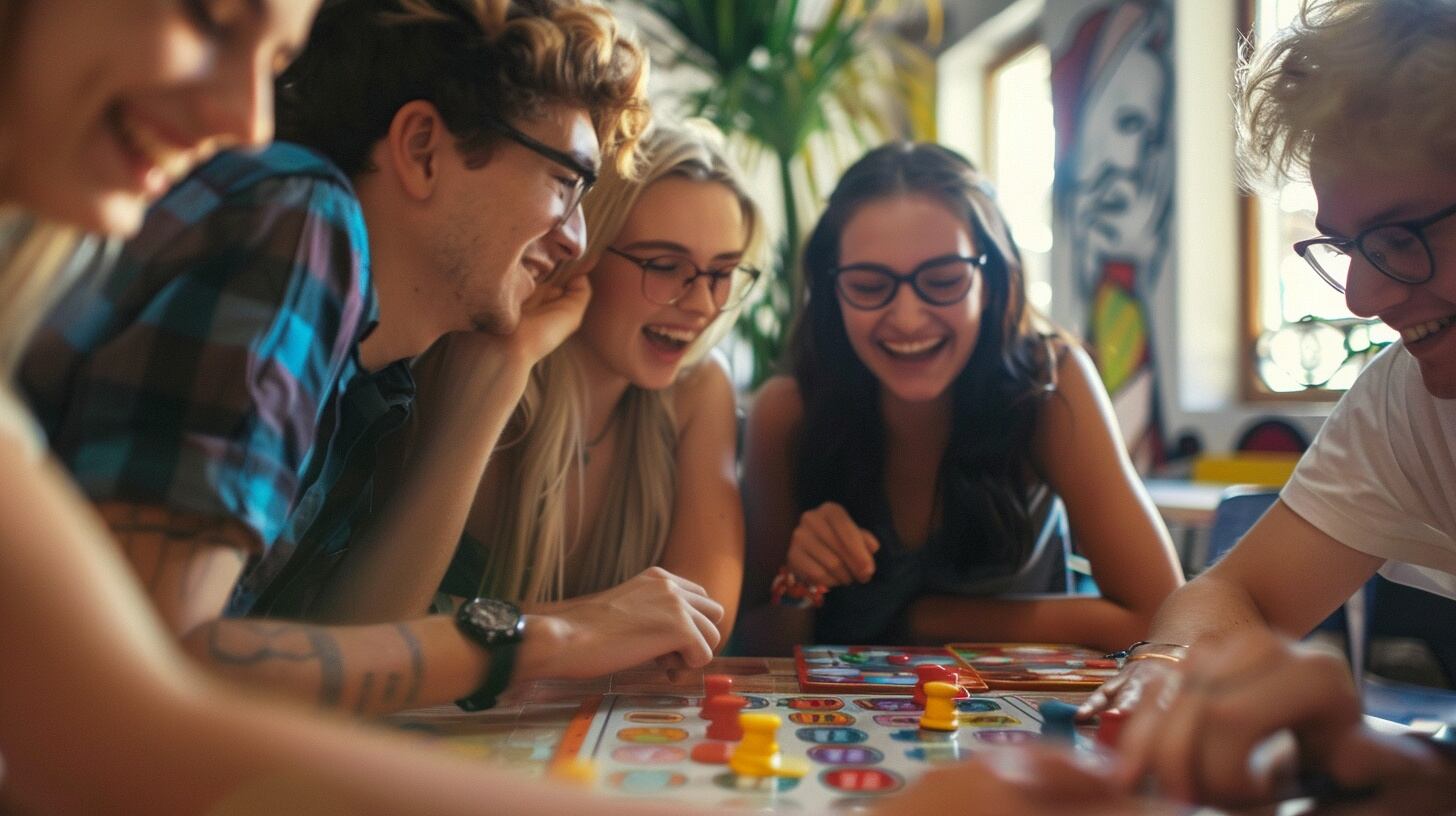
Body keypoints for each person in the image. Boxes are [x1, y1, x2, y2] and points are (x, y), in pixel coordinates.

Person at [18, 0, 722, 720]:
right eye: (567, 181)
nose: (577, 240)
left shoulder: (375, 367)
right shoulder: (299, 217)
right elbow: (155, 676)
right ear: (421, 148)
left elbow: (337, 655)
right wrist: (553, 636)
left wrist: (506, 364)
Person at [1059, 0, 1456, 808]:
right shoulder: (1408, 401)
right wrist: (1171, 670)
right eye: (1345, 247)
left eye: (1401, 235)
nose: (1362, 295)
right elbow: (1234, 594)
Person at [738, 142, 1182, 655]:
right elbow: (754, 650)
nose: (907, 317)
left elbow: (1163, 616)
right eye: (867, 286)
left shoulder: (1050, 385)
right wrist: (798, 584)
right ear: (831, 293)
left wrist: (928, 619)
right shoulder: (786, 413)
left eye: (944, 281)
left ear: (991, 283)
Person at [344, 119, 756, 635]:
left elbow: (703, 624)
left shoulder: (697, 388)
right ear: (584, 251)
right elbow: (368, 629)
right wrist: (508, 365)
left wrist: (508, 627)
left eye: (721, 273)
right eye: (664, 265)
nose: (701, 305)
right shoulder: (472, 354)